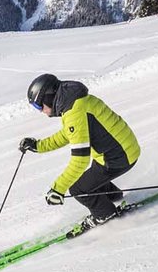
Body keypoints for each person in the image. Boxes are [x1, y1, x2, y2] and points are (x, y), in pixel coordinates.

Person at [18, 73, 141, 224]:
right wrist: (38, 146)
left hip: (118, 157)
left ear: (48, 97)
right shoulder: (75, 102)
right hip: (122, 149)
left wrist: (59, 189)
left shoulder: (74, 111)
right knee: (90, 179)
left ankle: (106, 215)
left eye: (38, 105)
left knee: (78, 189)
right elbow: (69, 134)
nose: (40, 111)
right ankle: (115, 199)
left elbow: (80, 159)